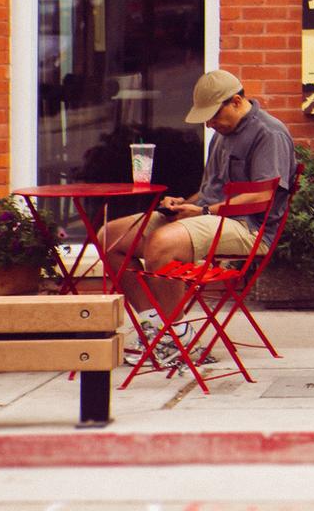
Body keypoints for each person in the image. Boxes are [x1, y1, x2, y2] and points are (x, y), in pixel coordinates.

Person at [98, 71, 296, 362]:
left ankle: (176, 335)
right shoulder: (222, 134)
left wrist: (202, 211)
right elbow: (210, 192)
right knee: (110, 238)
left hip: (248, 227)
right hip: (208, 217)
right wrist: (184, 204)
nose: (208, 123)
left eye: (213, 116)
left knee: (162, 244)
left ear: (237, 101)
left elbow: (261, 197)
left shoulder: (269, 133)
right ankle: (157, 328)